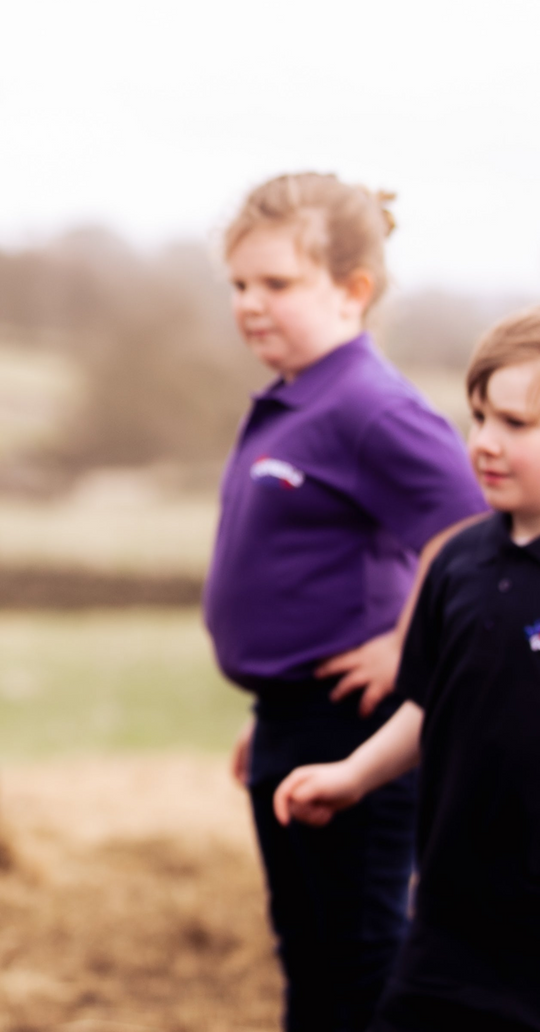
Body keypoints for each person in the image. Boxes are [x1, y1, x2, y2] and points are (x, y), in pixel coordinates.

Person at [203, 173, 485, 1032]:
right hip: (296, 713)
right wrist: (279, 703)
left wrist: (408, 650)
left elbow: (468, 531)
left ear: (352, 289)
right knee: (308, 958)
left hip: (356, 727)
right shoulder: (298, 398)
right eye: (239, 285)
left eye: (276, 284)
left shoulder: (370, 406)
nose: (250, 304)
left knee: (363, 970)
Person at [276, 308, 540, 1032]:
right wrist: (352, 774)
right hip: (448, 926)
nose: (483, 442)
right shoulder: (458, 563)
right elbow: (430, 704)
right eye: (479, 416)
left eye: (516, 424)